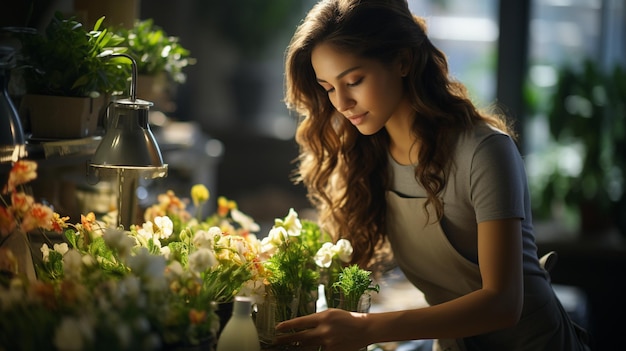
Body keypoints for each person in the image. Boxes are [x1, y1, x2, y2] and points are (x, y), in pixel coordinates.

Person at [275, 0, 592, 350]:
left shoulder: (484, 151)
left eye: (354, 80)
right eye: (329, 87)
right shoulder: (367, 158)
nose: (342, 103)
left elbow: (503, 303)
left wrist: (367, 328)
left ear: (403, 61)